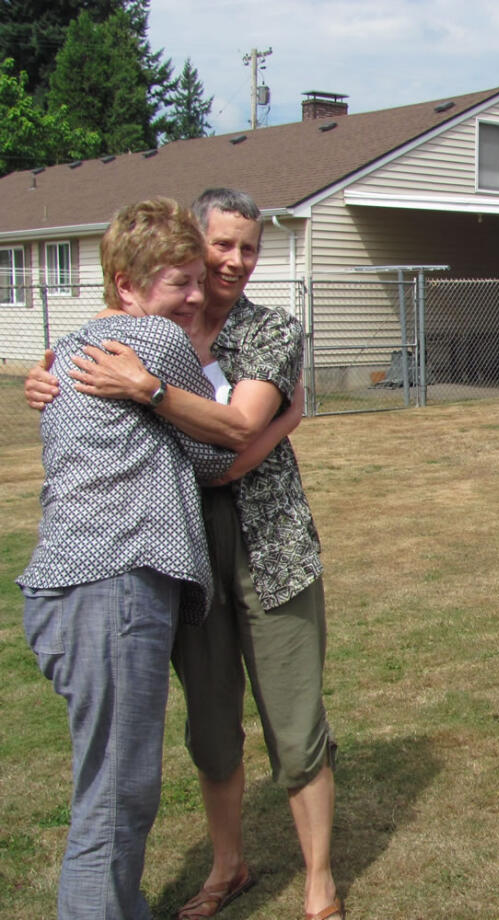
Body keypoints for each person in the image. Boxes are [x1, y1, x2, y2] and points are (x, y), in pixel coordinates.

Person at [26, 188, 341, 920]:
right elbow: (204, 438)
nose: (231, 263)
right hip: (180, 557)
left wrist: (152, 391)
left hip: (270, 547)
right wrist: (47, 384)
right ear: (190, 247)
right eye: (219, 247)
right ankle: (227, 869)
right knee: (208, 725)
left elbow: (231, 444)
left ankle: (319, 880)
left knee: (294, 719)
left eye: (249, 248)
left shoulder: (266, 331)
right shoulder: (152, 326)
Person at [18, 199, 236, 919]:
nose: (197, 296)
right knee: (116, 795)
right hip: (114, 586)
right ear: (127, 284)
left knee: (111, 783)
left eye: (199, 280)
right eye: (181, 282)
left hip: (64, 590)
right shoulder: (155, 341)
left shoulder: (73, 345)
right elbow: (216, 447)